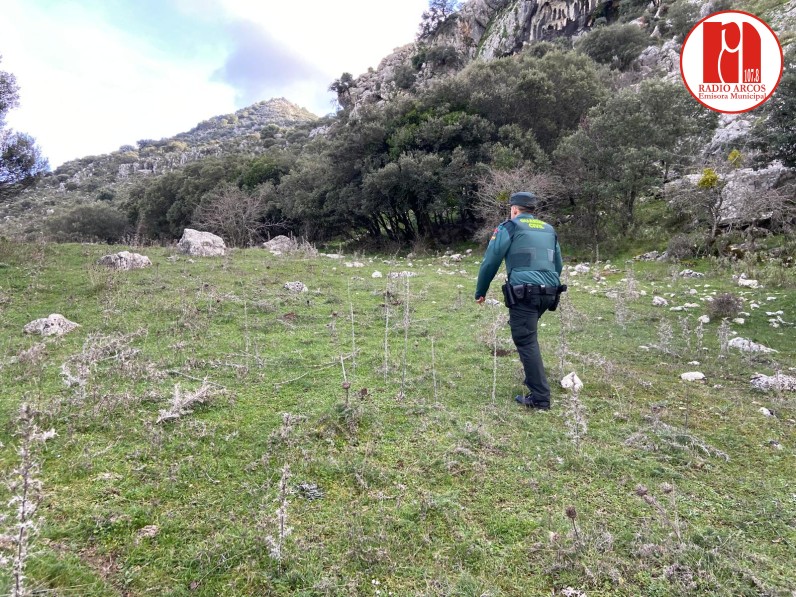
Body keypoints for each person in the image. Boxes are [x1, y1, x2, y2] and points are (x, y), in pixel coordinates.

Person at [474, 191, 564, 410]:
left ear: (514, 209)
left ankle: (540, 397)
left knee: (525, 340)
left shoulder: (509, 227)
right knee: (527, 334)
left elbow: (491, 261)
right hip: (550, 292)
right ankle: (534, 379)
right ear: (532, 210)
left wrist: (481, 291)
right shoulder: (548, 229)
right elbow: (558, 264)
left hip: (526, 293)